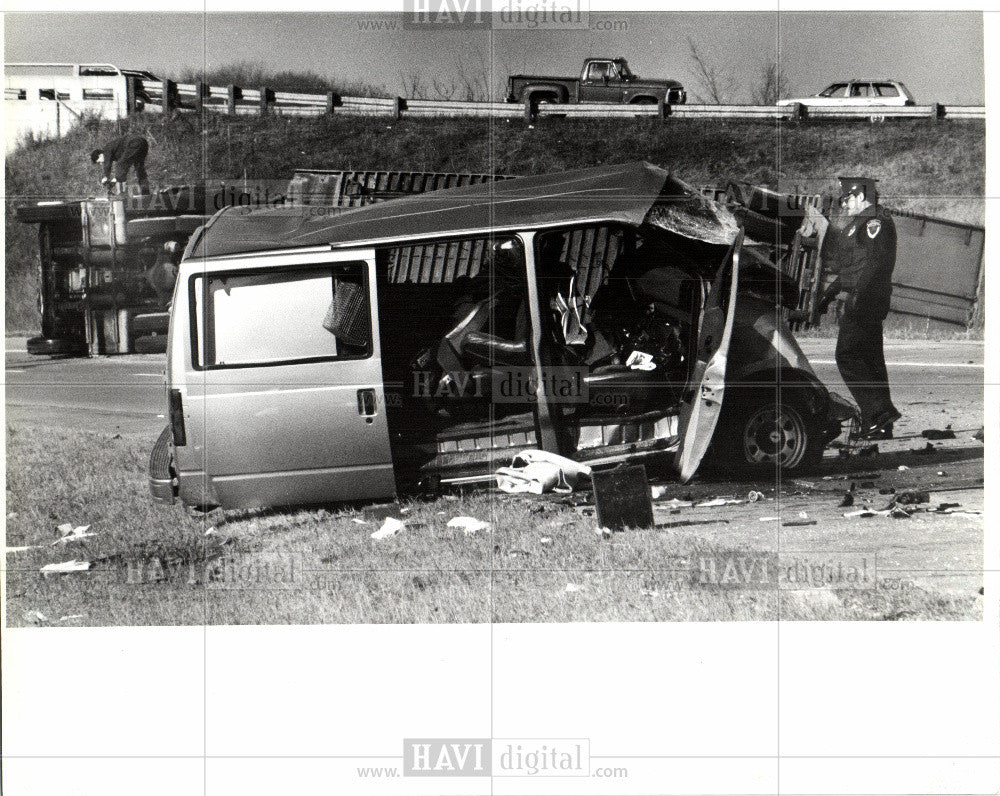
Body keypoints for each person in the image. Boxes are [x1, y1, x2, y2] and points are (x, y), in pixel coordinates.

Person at [800, 176, 901, 440]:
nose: (845, 204)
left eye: (848, 199)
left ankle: (880, 414)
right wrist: (827, 296)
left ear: (861, 196)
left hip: (866, 299)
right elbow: (851, 267)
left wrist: (859, 295)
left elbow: (877, 263)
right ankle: (878, 423)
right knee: (869, 359)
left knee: (847, 356)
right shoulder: (859, 224)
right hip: (862, 297)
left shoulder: (875, 222)